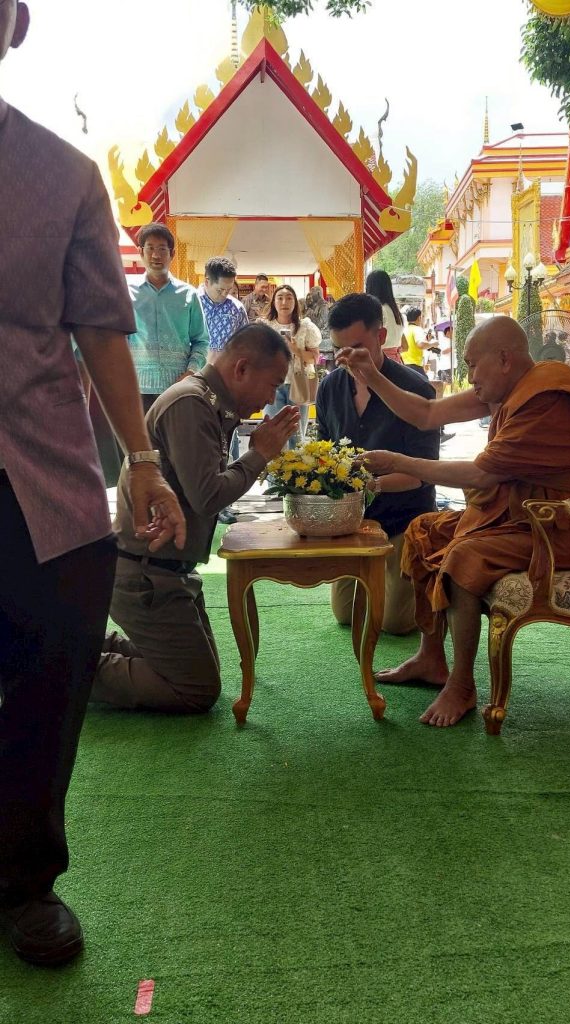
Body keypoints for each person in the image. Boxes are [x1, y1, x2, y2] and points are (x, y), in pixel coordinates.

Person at [0, 0, 185, 966]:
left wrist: (142, 463)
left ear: (17, 22)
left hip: (43, 482)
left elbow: (100, 328)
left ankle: (24, 882)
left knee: (51, 674)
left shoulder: (65, 176)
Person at [336, 316, 570, 727]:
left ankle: (462, 684)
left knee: (465, 554)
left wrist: (398, 461)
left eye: (472, 365)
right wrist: (371, 375)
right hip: (517, 517)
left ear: (504, 359)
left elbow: (482, 474)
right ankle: (431, 659)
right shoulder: (509, 388)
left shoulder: (544, 400)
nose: (469, 377)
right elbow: (427, 413)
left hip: (556, 527)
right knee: (425, 530)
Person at [93, 325, 300, 713]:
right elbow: (207, 497)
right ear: (241, 368)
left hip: (166, 571)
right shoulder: (191, 403)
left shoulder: (208, 403)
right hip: (146, 575)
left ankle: (74, 645)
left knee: (202, 671)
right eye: (273, 385)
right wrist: (259, 455)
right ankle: (59, 666)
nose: (272, 398)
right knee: (196, 689)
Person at [318, 293, 439, 635]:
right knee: (346, 615)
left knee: (395, 623)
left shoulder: (416, 389)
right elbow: (324, 454)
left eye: (357, 348)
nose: (347, 358)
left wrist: (374, 484)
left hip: (404, 518)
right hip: (353, 520)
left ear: (381, 336)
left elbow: (424, 472)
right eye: (339, 350)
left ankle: (427, 577)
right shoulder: (329, 387)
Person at [128, 222, 210, 413]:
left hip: (178, 389)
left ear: (172, 254)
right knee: (140, 435)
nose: (156, 255)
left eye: (162, 249)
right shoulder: (127, 293)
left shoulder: (188, 294)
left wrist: (191, 372)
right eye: (150, 248)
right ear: (140, 252)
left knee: (178, 433)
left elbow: (201, 341)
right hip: (136, 390)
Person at [198, 255, 249, 523]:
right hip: (197, 382)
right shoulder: (192, 304)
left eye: (229, 289)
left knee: (228, 438)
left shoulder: (236, 308)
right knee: (200, 438)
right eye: (220, 289)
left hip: (228, 385)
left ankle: (226, 500)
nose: (225, 294)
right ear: (207, 281)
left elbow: (245, 345)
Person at [263, 284, 322, 446]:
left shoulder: (305, 327)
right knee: (274, 433)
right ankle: (274, 464)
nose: (284, 302)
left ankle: (297, 463)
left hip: (298, 383)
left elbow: (314, 358)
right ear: (274, 302)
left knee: (296, 435)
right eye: (280, 298)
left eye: (289, 298)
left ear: (295, 302)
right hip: (272, 385)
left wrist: (296, 350)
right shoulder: (265, 327)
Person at [365, 269, 407, 364]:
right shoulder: (396, 312)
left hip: (380, 362)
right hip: (396, 362)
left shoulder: (377, 310)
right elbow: (405, 346)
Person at [401, 307, 438, 376]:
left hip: (403, 364)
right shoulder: (417, 329)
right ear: (419, 318)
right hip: (415, 366)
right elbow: (421, 345)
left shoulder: (404, 330)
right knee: (424, 382)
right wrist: (433, 344)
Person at [304, 285, 333, 371]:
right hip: (318, 340)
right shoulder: (315, 306)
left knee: (323, 371)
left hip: (324, 340)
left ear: (318, 293)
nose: (311, 296)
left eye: (312, 294)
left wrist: (310, 321)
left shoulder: (323, 306)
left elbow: (321, 323)